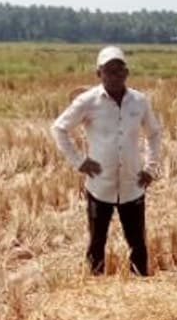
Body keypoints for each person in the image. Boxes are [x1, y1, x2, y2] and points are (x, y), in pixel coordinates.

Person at [51, 46, 163, 276]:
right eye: (109, 71)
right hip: (100, 185)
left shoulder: (139, 101)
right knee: (96, 243)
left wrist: (151, 168)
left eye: (120, 70)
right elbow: (59, 128)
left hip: (132, 185)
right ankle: (94, 288)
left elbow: (154, 133)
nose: (115, 76)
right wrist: (79, 161)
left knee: (138, 244)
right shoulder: (87, 101)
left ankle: (140, 289)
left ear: (127, 73)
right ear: (98, 73)